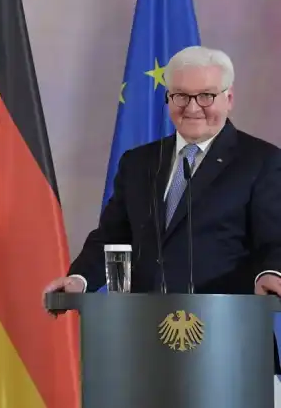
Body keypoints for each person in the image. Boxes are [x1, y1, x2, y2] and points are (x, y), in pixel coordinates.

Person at [44, 46, 281, 298]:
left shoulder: (261, 161)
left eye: (206, 96)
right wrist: (79, 279)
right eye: (181, 95)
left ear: (228, 99)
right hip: (145, 326)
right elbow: (113, 237)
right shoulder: (137, 162)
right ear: (168, 98)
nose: (192, 108)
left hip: (225, 326)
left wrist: (272, 272)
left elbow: (275, 239)